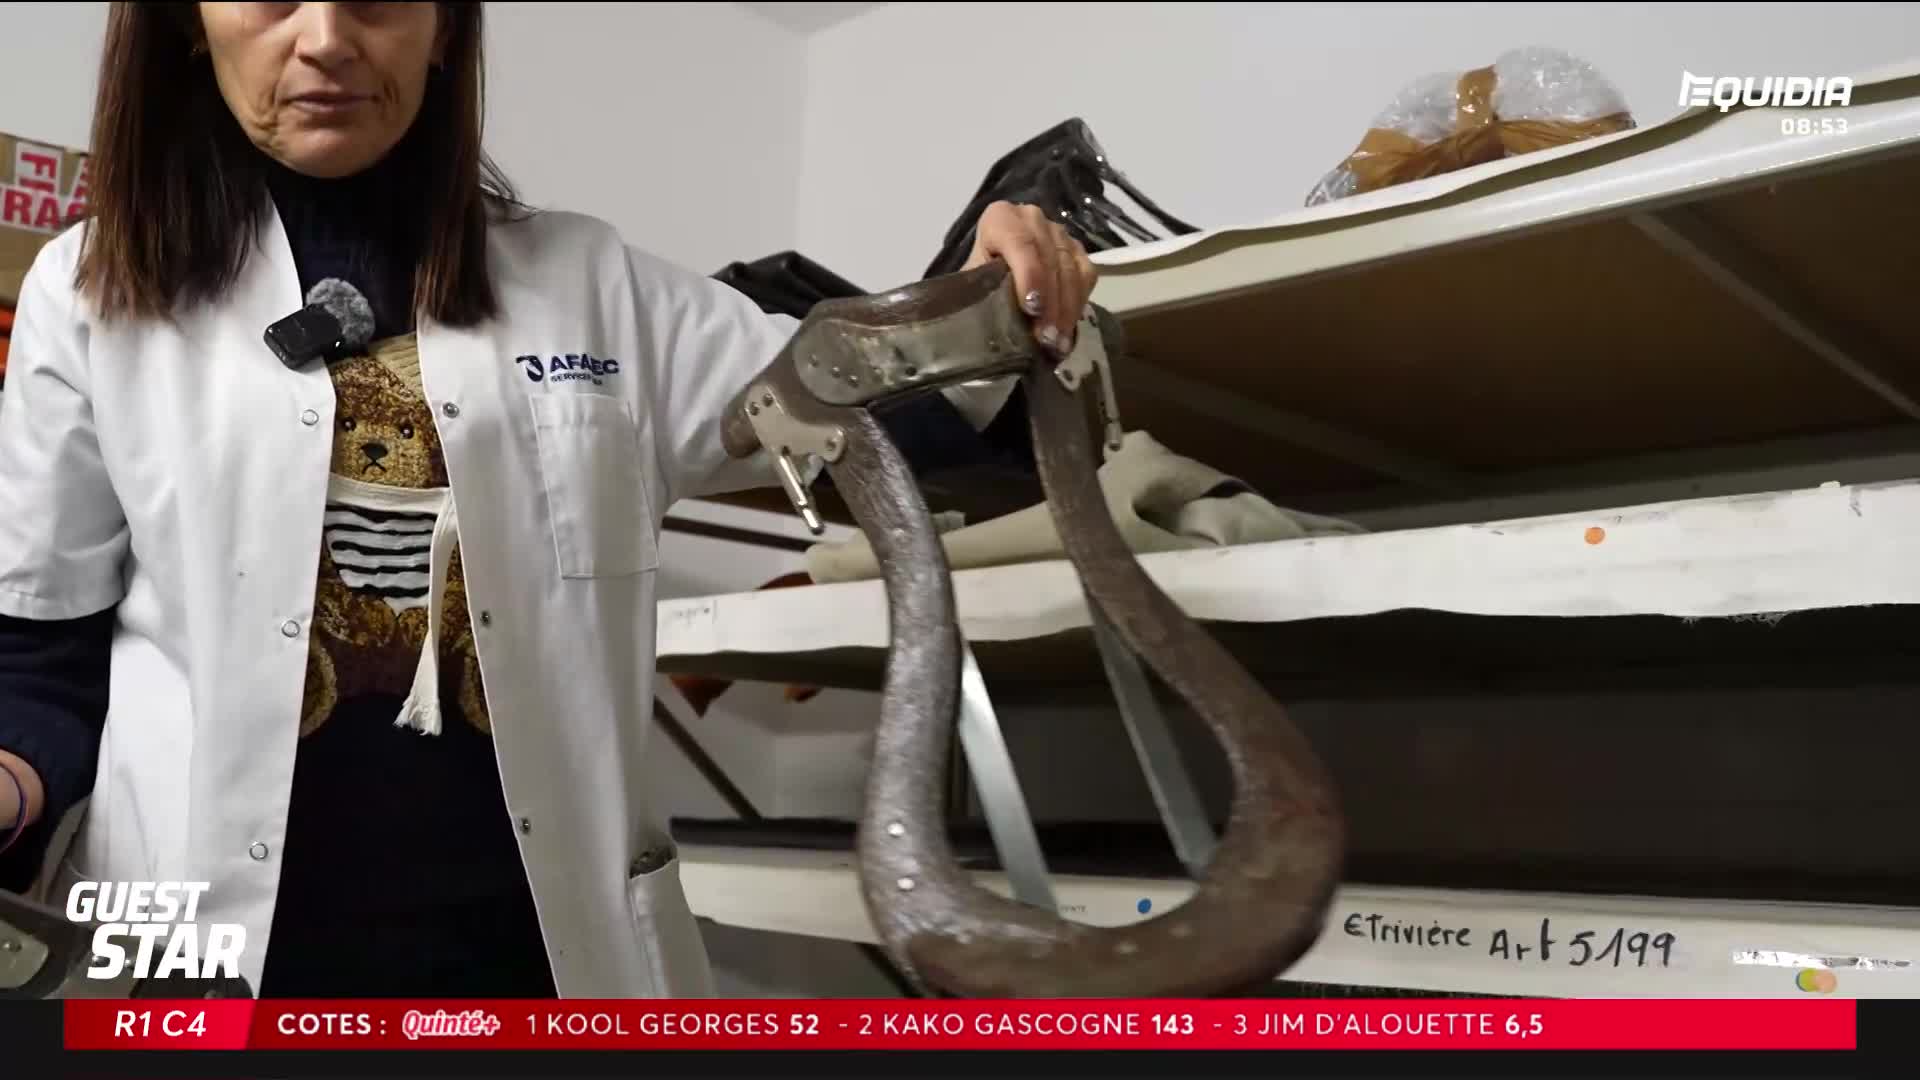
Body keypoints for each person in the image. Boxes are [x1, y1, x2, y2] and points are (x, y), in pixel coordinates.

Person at [0, 1, 1097, 999]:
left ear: (444, 29)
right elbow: (40, 666)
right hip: (196, 966)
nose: (328, 38)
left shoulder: (593, 286)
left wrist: (999, 295)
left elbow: (892, 408)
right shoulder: (92, 293)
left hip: (535, 964)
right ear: (192, 24)